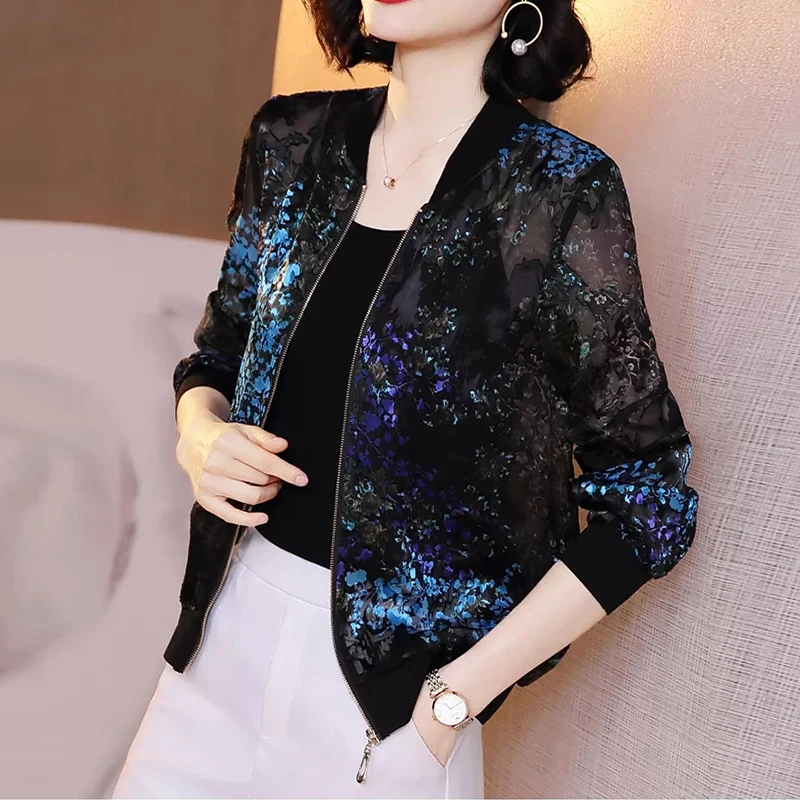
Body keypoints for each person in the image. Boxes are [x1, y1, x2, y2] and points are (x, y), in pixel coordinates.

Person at [112, 0, 700, 797]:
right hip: (217, 654)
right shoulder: (291, 139)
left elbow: (649, 498)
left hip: (386, 718)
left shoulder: (558, 190)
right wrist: (200, 434)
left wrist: (452, 702)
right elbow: (222, 347)